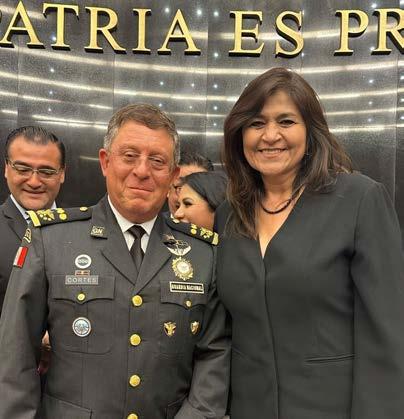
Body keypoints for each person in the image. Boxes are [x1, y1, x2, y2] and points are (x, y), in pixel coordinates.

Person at [0, 104, 229, 419]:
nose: (142, 171)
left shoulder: (203, 253)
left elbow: (214, 355)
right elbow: (15, 356)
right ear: (106, 162)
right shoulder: (50, 240)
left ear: (174, 176)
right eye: (129, 156)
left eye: (157, 161)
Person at [215, 67, 404, 419]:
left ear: (311, 130)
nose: (270, 135)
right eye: (256, 123)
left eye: (286, 121)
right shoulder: (228, 213)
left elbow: (387, 334)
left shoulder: (359, 200)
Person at [0, 126, 66, 314]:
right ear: (6, 168)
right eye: (23, 169)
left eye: (46, 171)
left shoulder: (82, 230)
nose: (34, 182)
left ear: (62, 173)